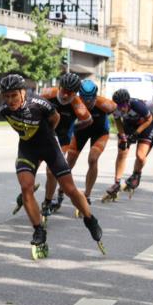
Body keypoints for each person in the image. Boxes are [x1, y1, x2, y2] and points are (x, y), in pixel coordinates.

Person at [0, 73, 103, 259]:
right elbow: (19, 128)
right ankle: (39, 230)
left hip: (49, 147)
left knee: (69, 189)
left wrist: (48, 134)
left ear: (23, 92)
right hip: (27, 149)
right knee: (26, 187)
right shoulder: (3, 110)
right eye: (7, 96)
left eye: (14, 95)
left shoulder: (39, 103)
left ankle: (89, 219)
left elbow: (55, 119)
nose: (11, 100)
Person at [37, 72, 93, 219]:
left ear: (76, 93)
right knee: (32, 166)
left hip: (62, 139)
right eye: (64, 91)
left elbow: (88, 120)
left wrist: (74, 128)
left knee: (51, 171)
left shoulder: (77, 104)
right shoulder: (47, 94)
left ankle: (47, 202)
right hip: (42, 135)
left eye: (71, 93)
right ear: (59, 87)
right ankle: (27, 191)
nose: (66, 95)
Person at [66, 80, 116, 210]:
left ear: (95, 96)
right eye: (85, 99)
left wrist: (122, 134)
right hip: (81, 131)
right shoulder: (75, 101)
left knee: (93, 159)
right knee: (69, 161)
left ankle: (87, 194)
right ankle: (61, 191)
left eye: (91, 99)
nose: (88, 103)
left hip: (100, 132)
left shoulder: (104, 103)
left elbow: (116, 111)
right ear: (80, 96)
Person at [102, 89, 153, 201]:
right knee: (122, 152)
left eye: (123, 105)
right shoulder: (116, 108)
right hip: (129, 126)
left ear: (128, 102)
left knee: (140, 156)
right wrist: (123, 137)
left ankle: (136, 174)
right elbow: (118, 122)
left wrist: (136, 134)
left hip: (145, 126)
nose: (121, 108)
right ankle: (116, 183)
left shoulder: (137, 105)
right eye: (119, 105)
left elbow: (149, 119)